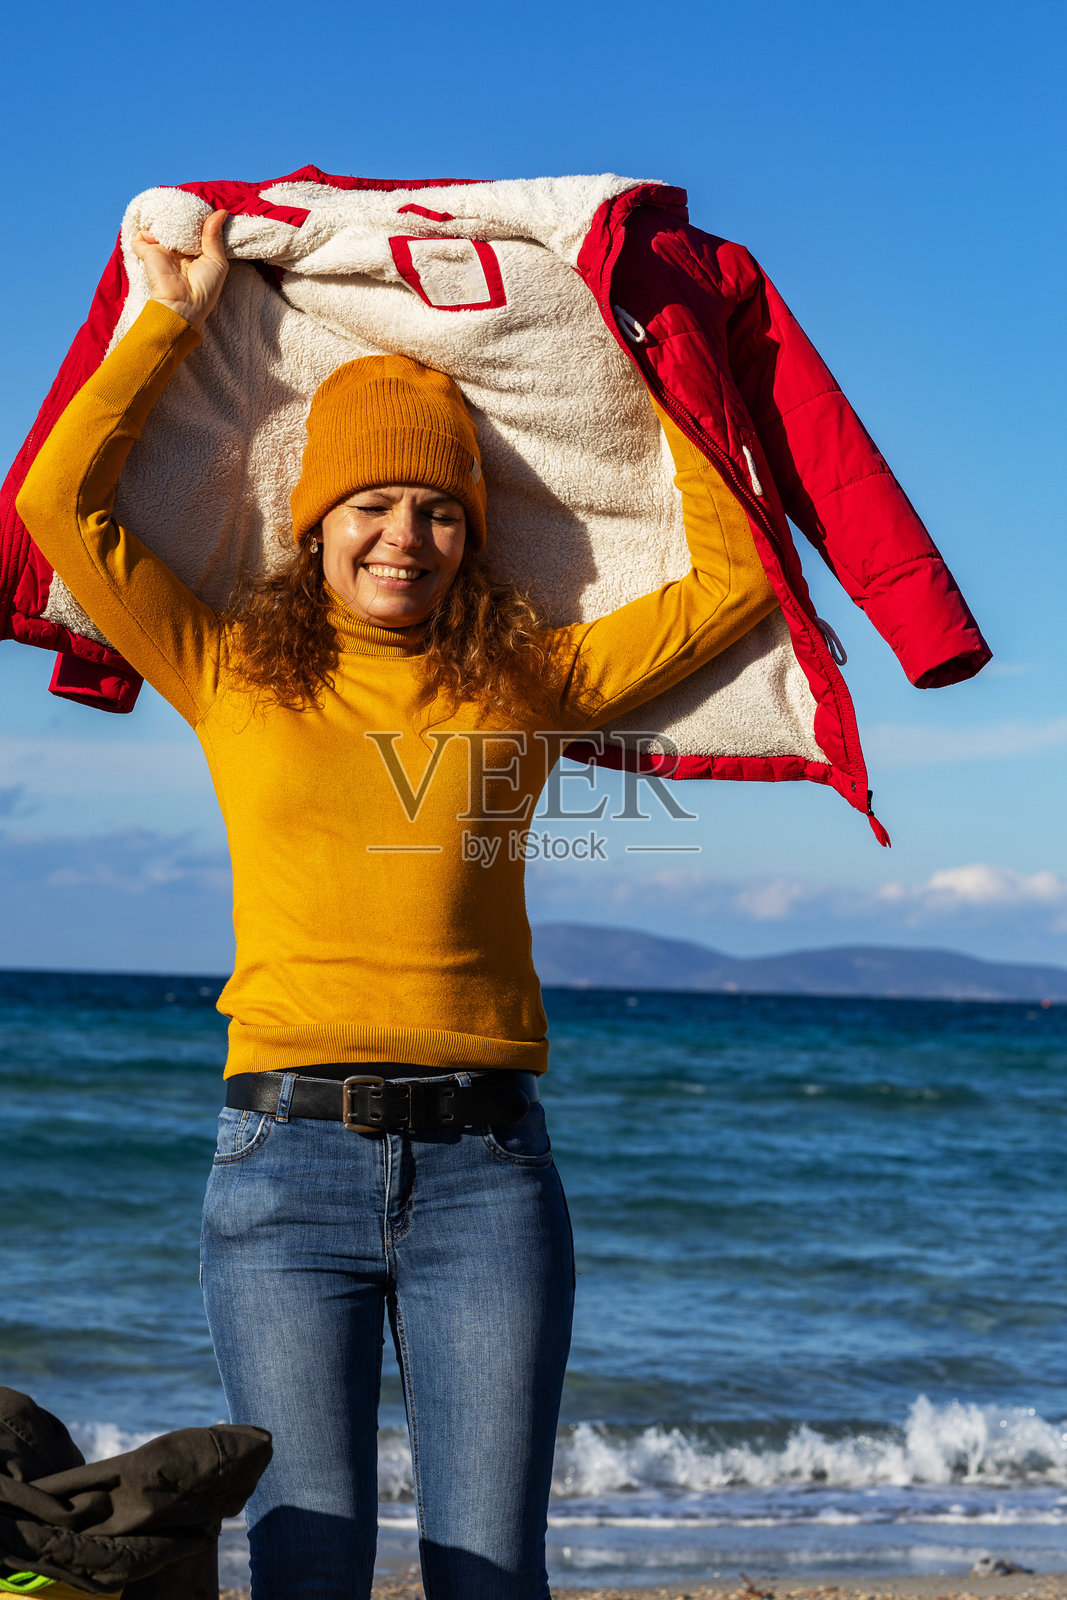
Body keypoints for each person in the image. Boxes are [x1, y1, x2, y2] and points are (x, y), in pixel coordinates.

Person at [17, 211, 778, 1600]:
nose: (405, 536)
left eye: (439, 510)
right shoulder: (228, 667)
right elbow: (60, 505)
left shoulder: (525, 681)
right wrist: (170, 316)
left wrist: (648, 378)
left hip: (488, 1173)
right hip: (281, 1167)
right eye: (371, 504)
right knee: (307, 1571)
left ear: (472, 537)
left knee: (490, 1575)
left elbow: (733, 574)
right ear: (315, 522)